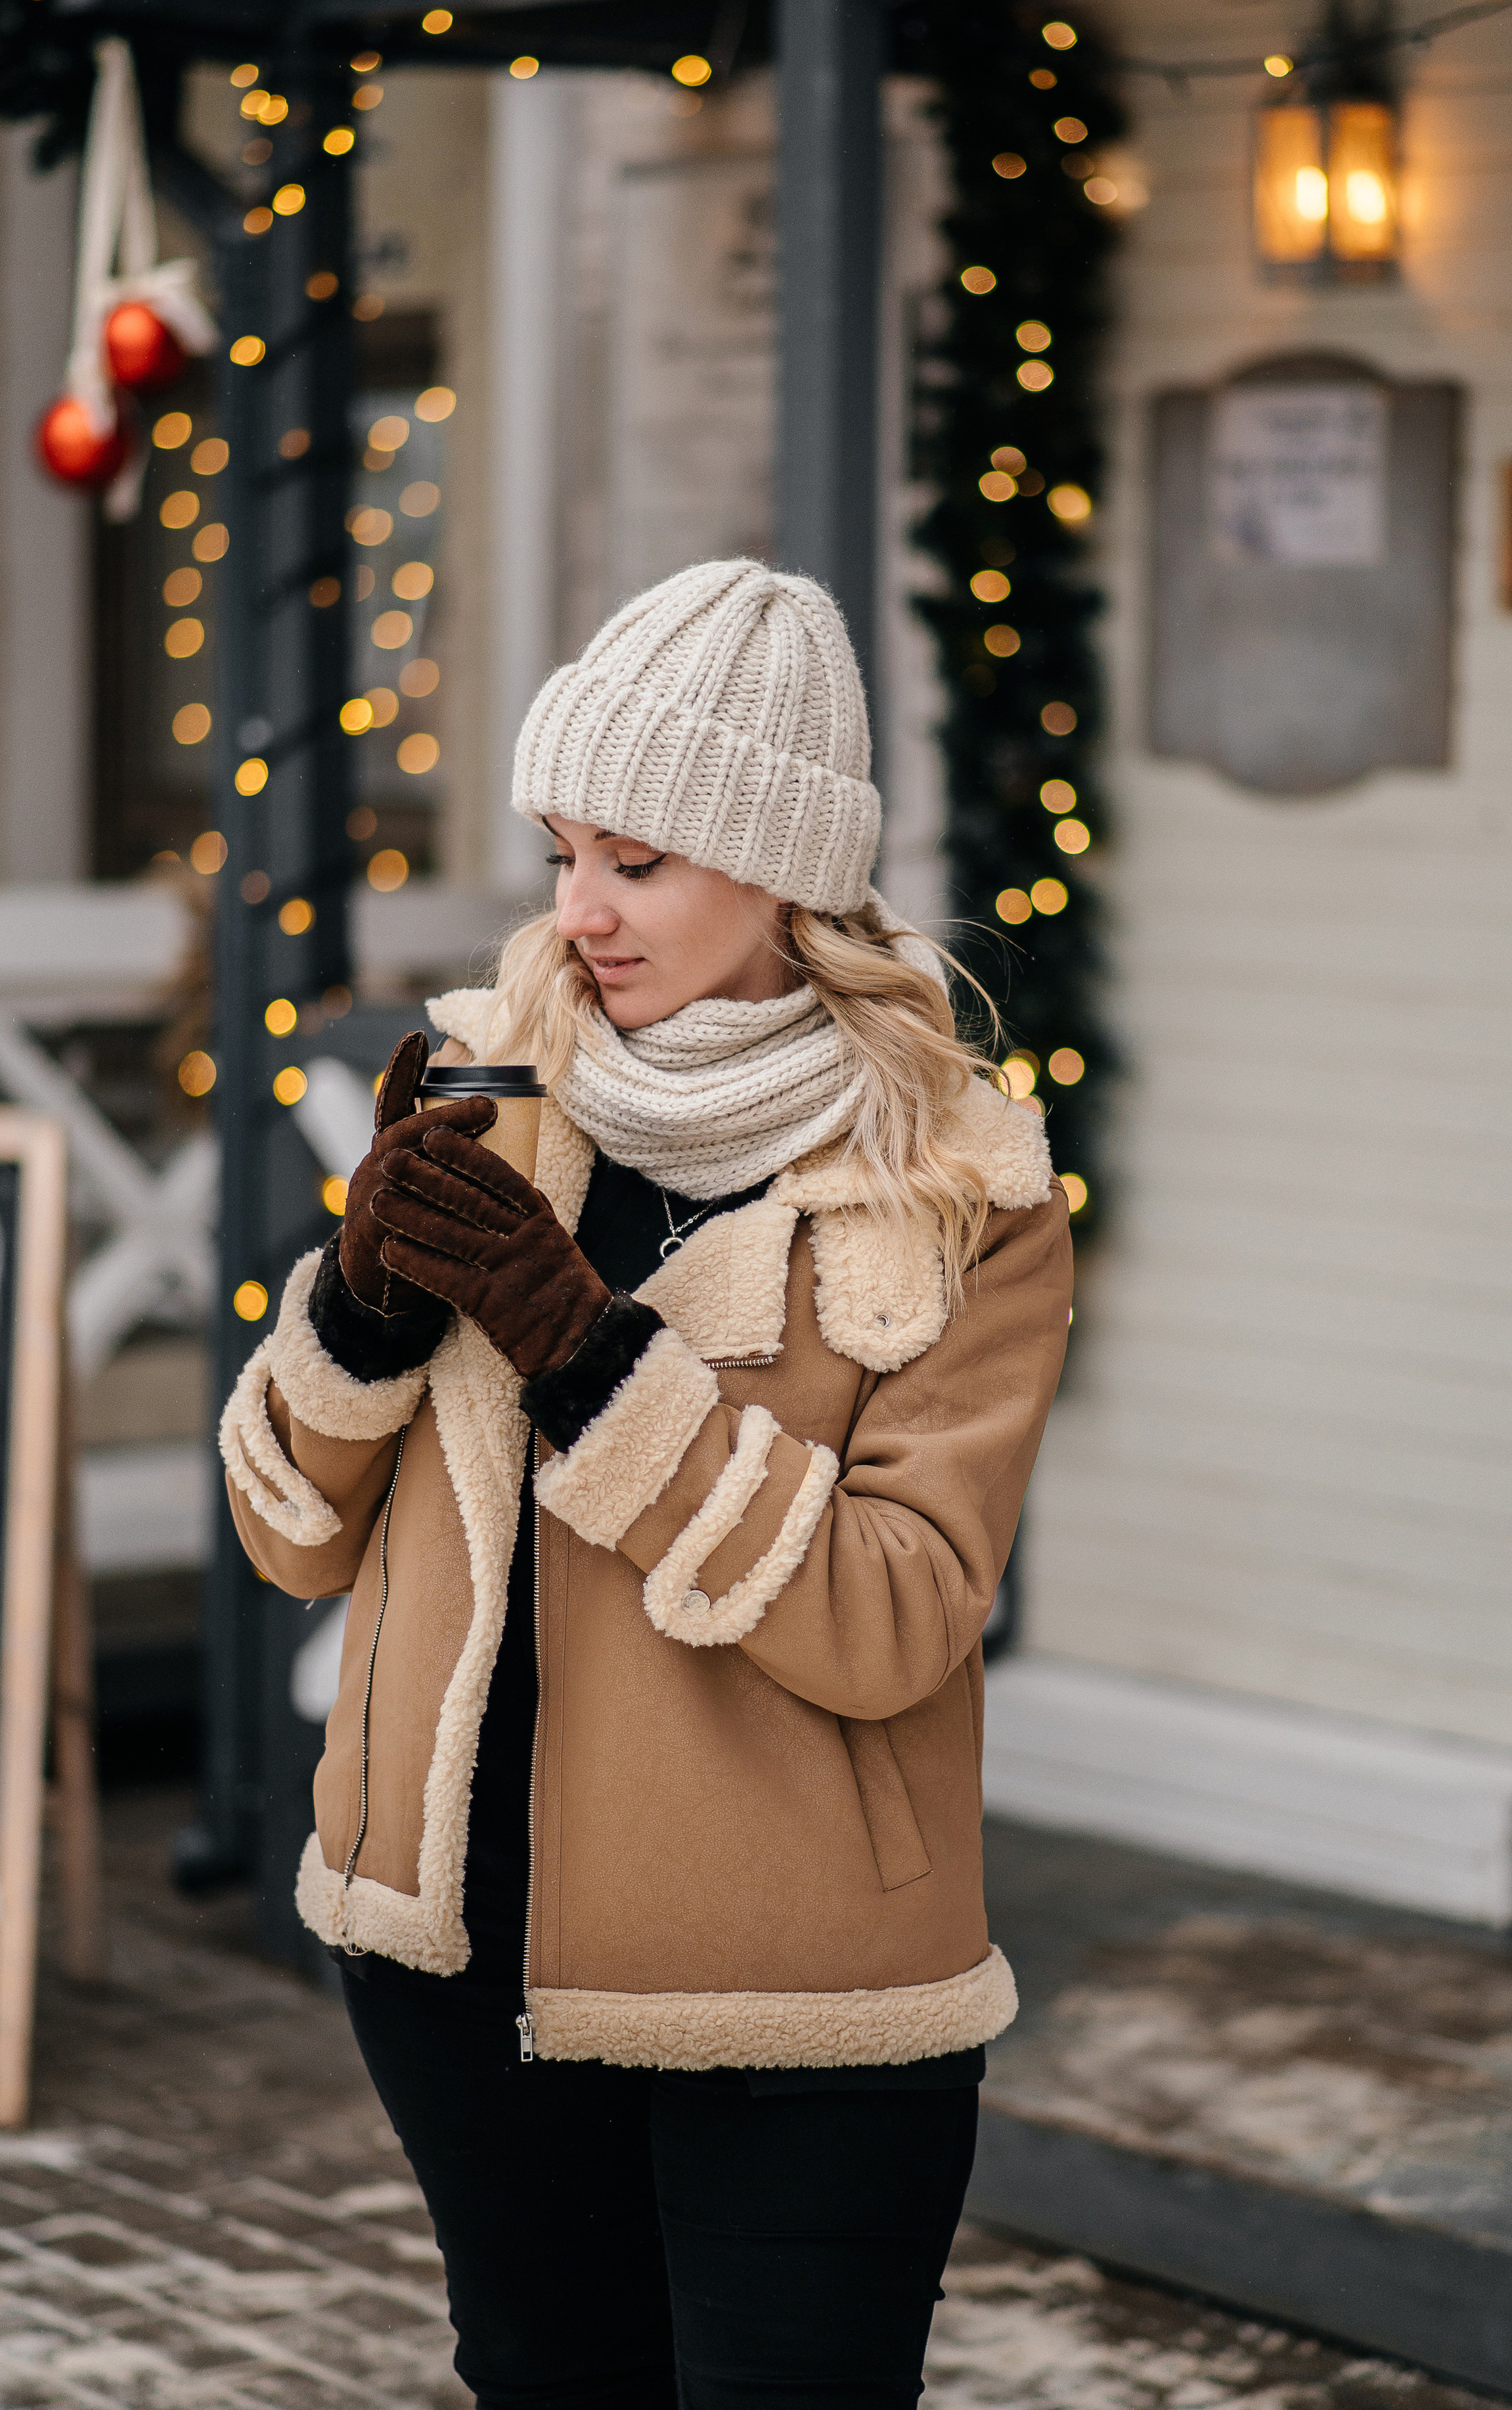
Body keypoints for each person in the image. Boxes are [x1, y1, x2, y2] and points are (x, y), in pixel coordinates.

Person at [221, 557, 1072, 2409]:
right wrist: (358, 1316)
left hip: (799, 2002)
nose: (579, 910)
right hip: (456, 1960)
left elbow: (896, 1619)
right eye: (560, 852)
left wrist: (590, 1353)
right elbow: (289, 1537)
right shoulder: (487, 1095)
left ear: (774, 864)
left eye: (638, 860)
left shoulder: (955, 1189)